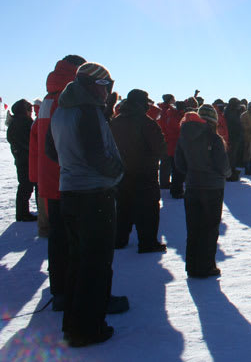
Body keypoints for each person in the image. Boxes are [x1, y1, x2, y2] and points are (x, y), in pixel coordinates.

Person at [47, 62, 127, 347]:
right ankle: (88, 329)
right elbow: (97, 154)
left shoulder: (62, 109)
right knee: (96, 264)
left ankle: (74, 324)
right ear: (92, 85)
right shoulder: (88, 110)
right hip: (94, 194)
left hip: (70, 192)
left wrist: (73, 167)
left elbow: (50, 150)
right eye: (106, 86)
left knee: (78, 261)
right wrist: (117, 172)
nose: (108, 93)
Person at [29, 55, 84, 310]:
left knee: (58, 238)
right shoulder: (68, 99)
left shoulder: (48, 99)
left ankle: (60, 289)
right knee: (74, 239)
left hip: (50, 180)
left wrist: (36, 177)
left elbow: (36, 144)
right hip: (69, 179)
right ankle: (71, 293)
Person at [174, 104, 231, 278]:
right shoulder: (214, 139)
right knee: (209, 229)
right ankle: (206, 266)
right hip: (212, 188)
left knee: (193, 229)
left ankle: (192, 266)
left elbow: (179, 164)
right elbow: (222, 165)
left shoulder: (184, 136)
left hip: (192, 187)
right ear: (214, 120)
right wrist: (227, 173)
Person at [110, 89, 167, 253]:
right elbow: (160, 148)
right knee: (148, 210)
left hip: (121, 172)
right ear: (141, 103)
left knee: (123, 207)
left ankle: (119, 239)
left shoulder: (116, 120)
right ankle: (148, 242)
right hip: (145, 172)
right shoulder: (147, 123)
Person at [7, 99, 37, 221]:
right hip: (27, 159)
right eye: (29, 109)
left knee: (24, 186)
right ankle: (23, 214)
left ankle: (22, 212)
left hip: (21, 159)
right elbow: (29, 141)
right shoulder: (24, 122)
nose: (31, 112)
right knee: (26, 186)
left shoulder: (15, 122)